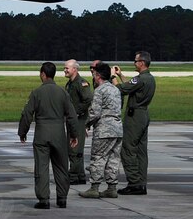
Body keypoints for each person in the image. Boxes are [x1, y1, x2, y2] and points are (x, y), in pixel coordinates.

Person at [18, 62, 79, 209]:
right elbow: (71, 115)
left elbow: (27, 114)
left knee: (42, 167)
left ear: (43, 74)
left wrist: (22, 132)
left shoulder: (36, 93)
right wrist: (74, 134)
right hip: (59, 133)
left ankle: (44, 199)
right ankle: (62, 198)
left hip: (42, 133)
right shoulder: (62, 92)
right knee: (61, 167)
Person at [112, 50, 156, 195]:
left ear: (142, 63)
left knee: (128, 148)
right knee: (141, 151)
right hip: (143, 114)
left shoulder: (140, 79)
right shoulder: (149, 78)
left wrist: (112, 77)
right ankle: (141, 182)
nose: (134, 63)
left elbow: (122, 89)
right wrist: (121, 75)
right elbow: (132, 86)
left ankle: (134, 182)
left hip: (135, 117)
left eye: (136, 61)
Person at [80, 62, 122, 199]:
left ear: (98, 75)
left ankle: (94, 187)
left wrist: (86, 124)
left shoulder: (100, 90)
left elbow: (95, 112)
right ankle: (112, 187)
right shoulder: (115, 89)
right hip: (117, 128)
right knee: (113, 158)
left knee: (98, 157)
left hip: (104, 129)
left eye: (94, 74)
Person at [63, 59, 93, 184]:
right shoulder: (70, 84)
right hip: (72, 120)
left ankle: (73, 175)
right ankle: (80, 175)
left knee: (74, 149)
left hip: (79, 120)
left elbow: (88, 99)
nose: (64, 70)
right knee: (75, 148)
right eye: (64, 68)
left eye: (67, 68)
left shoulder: (81, 83)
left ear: (74, 69)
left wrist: (76, 111)